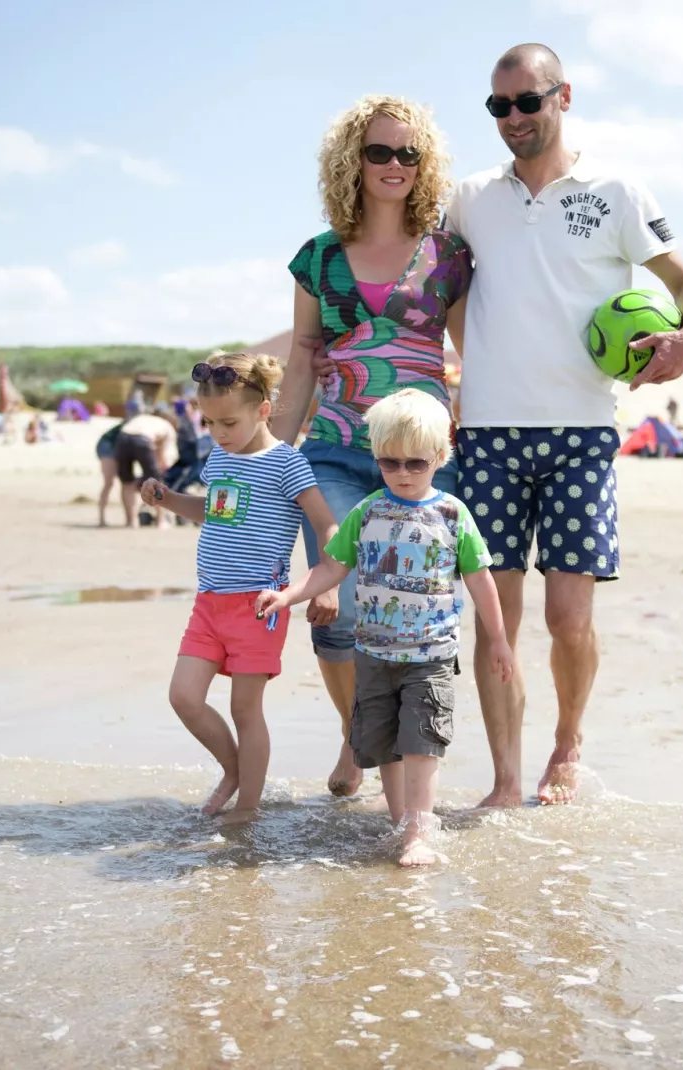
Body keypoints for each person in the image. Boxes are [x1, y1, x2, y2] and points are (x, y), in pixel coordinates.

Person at [437, 43, 683, 807]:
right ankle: (504, 779)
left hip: (582, 434)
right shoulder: (469, 198)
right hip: (487, 432)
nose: (514, 119)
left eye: (528, 102)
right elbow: (433, 283)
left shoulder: (617, 189)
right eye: (499, 107)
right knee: (497, 623)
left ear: (564, 96)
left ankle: (567, 744)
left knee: (567, 618)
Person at [272, 93, 473, 799]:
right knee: (340, 605)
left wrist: (468, 438)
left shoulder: (448, 256)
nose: (395, 165)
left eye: (409, 153)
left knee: (406, 615)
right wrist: (269, 458)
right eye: (379, 151)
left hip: (415, 462)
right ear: (352, 161)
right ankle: (360, 728)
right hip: (331, 449)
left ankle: (379, 749)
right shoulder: (318, 258)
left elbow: (469, 352)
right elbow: (301, 360)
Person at [258, 390, 513, 865]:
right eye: (389, 463)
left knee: (421, 745)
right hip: (373, 655)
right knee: (387, 748)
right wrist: (290, 595)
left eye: (415, 464)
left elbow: (481, 580)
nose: (401, 474)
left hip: (430, 656)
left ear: (440, 456)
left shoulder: (452, 515)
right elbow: (331, 568)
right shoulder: (368, 512)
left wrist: (497, 639)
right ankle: (402, 826)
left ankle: (419, 833)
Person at [137, 353, 338, 825]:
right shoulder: (220, 456)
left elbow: (326, 526)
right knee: (184, 697)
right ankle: (233, 771)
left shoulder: (287, 464)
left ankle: (248, 806)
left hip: (259, 604)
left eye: (229, 421)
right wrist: (166, 499)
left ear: (263, 411)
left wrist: (324, 582)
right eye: (209, 422)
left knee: (245, 709)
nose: (218, 432)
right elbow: (212, 511)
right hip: (209, 603)